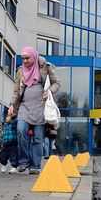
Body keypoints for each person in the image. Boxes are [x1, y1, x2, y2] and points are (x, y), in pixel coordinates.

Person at [8, 47, 61, 175]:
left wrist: (49, 91)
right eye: (23, 58)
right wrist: (11, 106)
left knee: (38, 137)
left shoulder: (45, 66)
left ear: (33, 56)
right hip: (25, 106)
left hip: (41, 107)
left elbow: (56, 83)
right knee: (21, 129)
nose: (25, 61)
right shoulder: (20, 71)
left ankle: (35, 166)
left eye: (27, 58)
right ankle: (24, 161)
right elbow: (16, 92)